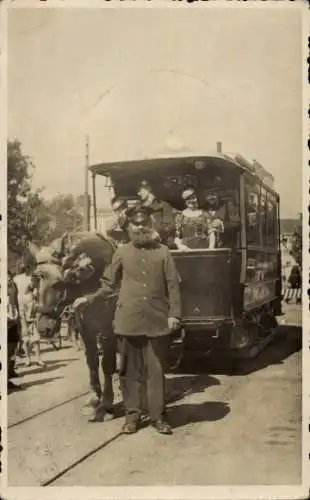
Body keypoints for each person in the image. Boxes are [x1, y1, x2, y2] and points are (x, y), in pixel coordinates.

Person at [74, 205, 181, 435]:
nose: (140, 226)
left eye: (144, 222)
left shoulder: (163, 251)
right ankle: (132, 417)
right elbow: (108, 284)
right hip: (128, 319)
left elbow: (173, 285)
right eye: (136, 223)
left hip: (157, 320)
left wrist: (174, 314)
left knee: (156, 370)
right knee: (129, 371)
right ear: (129, 227)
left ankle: (158, 416)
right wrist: (88, 299)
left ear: (150, 225)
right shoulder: (121, 252)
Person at [137, 180, 178, 249]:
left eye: (140, 190)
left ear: (149, 188)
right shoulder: (139, 208)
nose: (138, 193)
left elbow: (169, 225)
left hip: (161, 245)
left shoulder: (164, 205)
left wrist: (157, 233)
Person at [21, 277, 46, 367]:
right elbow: (22, 313)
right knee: (26, 341)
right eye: (35, 289)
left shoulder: (36, 299)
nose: (36, 291)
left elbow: (39, 309)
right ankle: (28, 359)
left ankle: (38, 359)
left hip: (33, 321)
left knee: (36, 340)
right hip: (26, 322)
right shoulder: (25, 298)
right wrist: (24, 325)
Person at [8, 272, 22, 391]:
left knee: (12, 349)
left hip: (13, 320)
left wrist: (18, 320)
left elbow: (15, 302)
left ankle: (7, 377)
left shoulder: (13, 285)